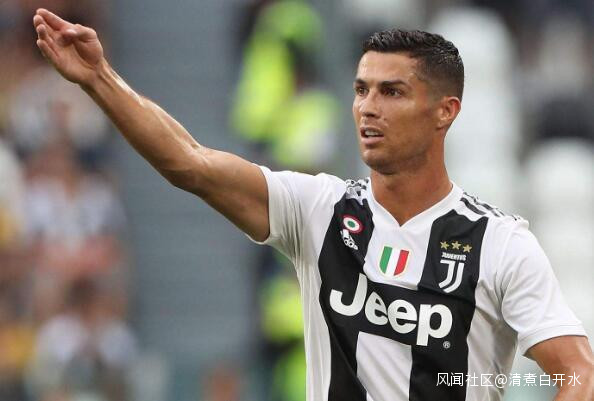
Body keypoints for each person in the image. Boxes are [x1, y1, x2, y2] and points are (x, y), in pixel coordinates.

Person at [32, 8, 593, 401]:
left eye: (392, 92)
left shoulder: (499, 244)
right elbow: (190, 163)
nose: (368, 108)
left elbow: (578, 375)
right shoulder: (319, 210)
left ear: (445, 111)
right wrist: (99, 79)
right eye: (361, 89)